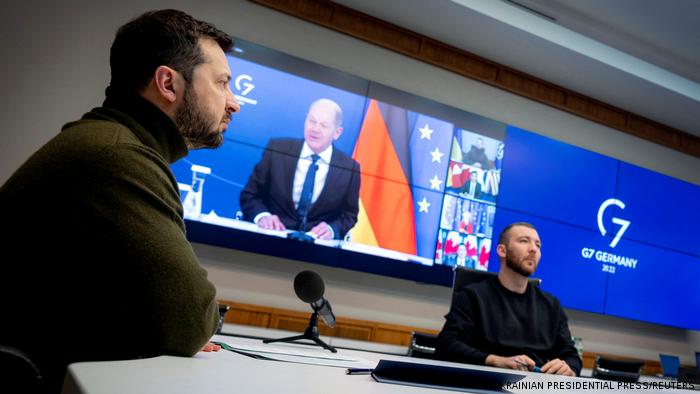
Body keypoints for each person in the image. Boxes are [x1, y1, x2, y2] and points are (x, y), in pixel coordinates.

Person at [0, 9, 239, 392]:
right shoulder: (118, 156)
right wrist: (182, 323)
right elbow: (190, 320)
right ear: (168, 83)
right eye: (223, 83)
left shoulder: (109, 141)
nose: (233, 102)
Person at [436, 222, 582, 376]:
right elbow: (447, 345)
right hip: (486, 382)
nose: (533, 249)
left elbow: (572, 356)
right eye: (524, 241)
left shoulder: (551, 306)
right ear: (502, 250)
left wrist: (569, 369)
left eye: (538, 245)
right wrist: (496, 361)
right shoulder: (473, 296)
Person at [240, 99, 360, 240]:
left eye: (324, 125)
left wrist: (331, 229)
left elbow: (349, 215)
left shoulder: (350, 168)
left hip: (317, 250)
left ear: (337, 132)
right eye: (312, 121)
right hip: (270, 238)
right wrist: (262, 216)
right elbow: (249, 195)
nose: (315, 129)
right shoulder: (277, 149)